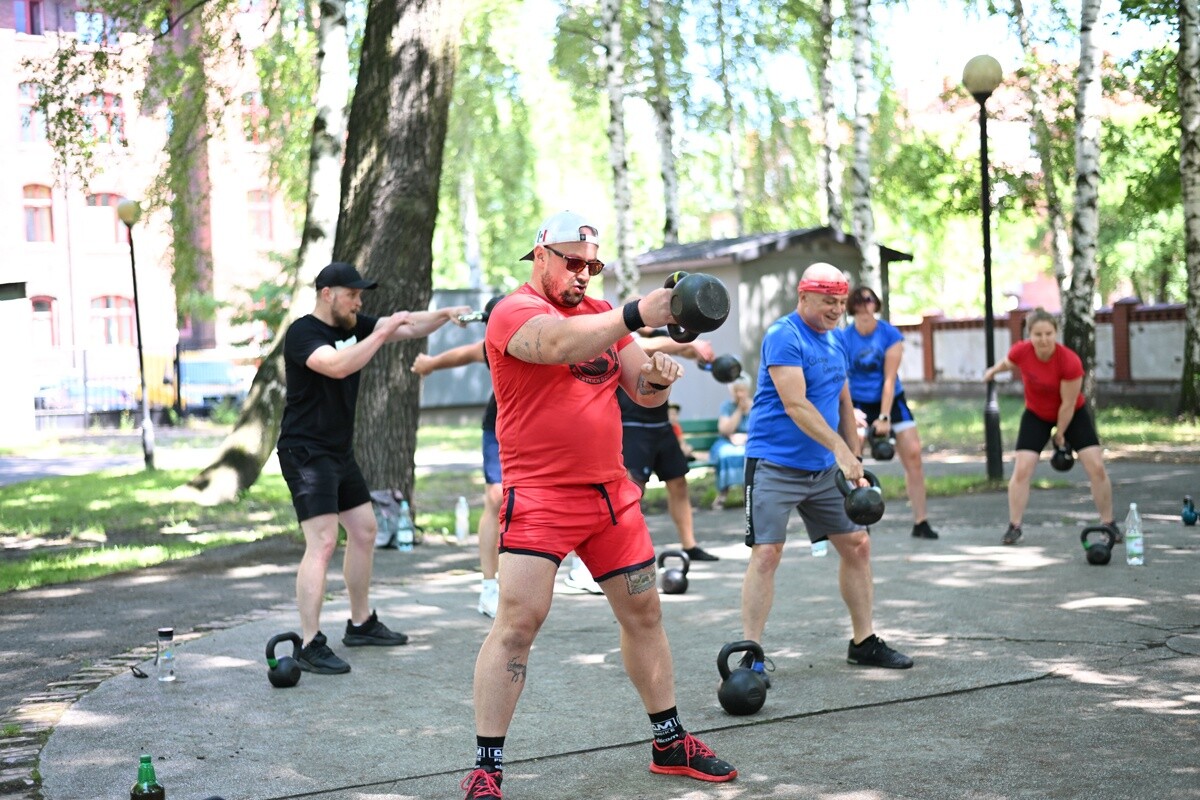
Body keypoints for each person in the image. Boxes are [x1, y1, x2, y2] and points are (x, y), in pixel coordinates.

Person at [461, 211, 737, 799]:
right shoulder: (514, 310)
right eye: (573, 262)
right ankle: (487, 768)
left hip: (611, 496)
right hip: (540, 497)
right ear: (540, 256)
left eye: (593, 265)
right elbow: (556, 344)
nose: (584, 274)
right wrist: (637, 312)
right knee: (517, 625)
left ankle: (669, 742)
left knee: (645, 615)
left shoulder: (601, 314)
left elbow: (642, 390)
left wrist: (660, 375)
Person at [276, 261, 470, 675]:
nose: (358, 303)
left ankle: (361, 623)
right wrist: (381, 332)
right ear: (327, 294)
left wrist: (444, 315)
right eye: (352, 295)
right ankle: (309, 643)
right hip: (305, 452)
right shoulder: (303, 333)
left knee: (364, 531)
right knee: (323, 542)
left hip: (338, 451)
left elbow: (406, 326)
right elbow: (338, 366)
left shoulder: (353, 324)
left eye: (360, 296)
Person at [739, 262, 914, 683]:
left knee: (858, 545)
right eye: (827, 302)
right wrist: (840, 450)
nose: (837, 310)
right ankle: (750, 656)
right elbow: (796, 404)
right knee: (767, 553)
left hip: (824, 469)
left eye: (840, 302)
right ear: (803, 297)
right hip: (774, 463)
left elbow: (842, 400)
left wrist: (854, 457)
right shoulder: (784, 335)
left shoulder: (836, 339)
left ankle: (863, 642)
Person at [982, 307, 1118, 546]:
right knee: (1022, 469)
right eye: (1038, 334)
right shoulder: (1022, 351)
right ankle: (1014, 526)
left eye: (1048, 334)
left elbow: (1067, 404)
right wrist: (993, 371)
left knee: (1096, 467)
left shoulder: (1069, 361)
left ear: (1056, 333)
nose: (1044, 339)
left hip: (1072, 413)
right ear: (1029, 335)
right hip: (1036, 414)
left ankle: (1108, 524)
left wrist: (1060, 435)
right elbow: (1008, 362)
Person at [411, 296, 506, 618]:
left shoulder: (539, 342)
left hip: (537, 430)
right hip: (498, 427)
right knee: (496, 498)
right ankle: (489, 587)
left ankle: (577, 567)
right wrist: (429, 363)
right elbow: (460, 355)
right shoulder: (490, 348)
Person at [837, 285, 939, 539]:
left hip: (890, 400)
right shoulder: (844, 338)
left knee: (913, 454)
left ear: (876, 304)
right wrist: (850, 413)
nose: (864, 306)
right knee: (853, 455)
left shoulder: (889, 334)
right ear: (851, 307)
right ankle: (857, 520)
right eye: (858, 302)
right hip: (857, 401)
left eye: (869, 301)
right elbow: (841, 380)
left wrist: (884, 417)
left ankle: (921, 522)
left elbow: (889, 379)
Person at [617, 325, 721, 562]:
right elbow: (647, 347)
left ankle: (690, 546)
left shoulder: (661, 337)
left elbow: (681, 350)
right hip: (632, 426)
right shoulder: (624, 337)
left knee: (679, 484)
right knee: (632, 491)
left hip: (661, 425)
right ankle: (626, 552)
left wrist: (700, 353)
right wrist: (690, 343)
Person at [711, 375, 751, 510]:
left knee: (749, 454)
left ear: (747, 390)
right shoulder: (727, 407)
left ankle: (748, 493)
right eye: (736, 391)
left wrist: (745, 437)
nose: (739, 394)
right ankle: (723, 493)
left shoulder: (755, 406)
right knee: (726, 454)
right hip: (726, 441)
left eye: (742, 390)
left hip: (748, 442)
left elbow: (761, 430)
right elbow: (724, 429)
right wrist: (739, 410)